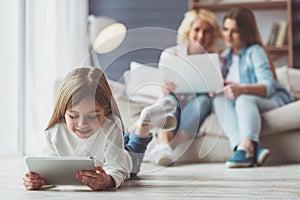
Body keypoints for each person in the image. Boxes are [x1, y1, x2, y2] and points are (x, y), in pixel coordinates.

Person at [23, 67, 176, 190]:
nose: (82, 124)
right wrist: (37, 180)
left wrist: (108, 180)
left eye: (92, 116)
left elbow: (117, 168)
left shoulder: (111, 125)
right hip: (114, 142)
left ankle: (145, 120)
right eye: (73, 116)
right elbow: (49, 170)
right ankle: (138, 126)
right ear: (63, 113)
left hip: (125, 159)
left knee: (133, 152)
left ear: (106, 111)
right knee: (125, 138)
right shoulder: (54, 132)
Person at [213, 7, 294, 168]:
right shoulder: (224, 57)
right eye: (226, 29)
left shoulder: (255, 52)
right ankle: (244, 149)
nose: (228, 35)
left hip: (271, 99)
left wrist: (241, 89)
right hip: (240, 102)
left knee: (243, 99)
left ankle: (247, 148)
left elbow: (268, 86)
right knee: (219, 98)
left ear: (245, 32)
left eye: (234, 31)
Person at [151, 9, 221, 165]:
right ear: (188, 30)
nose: (201, 36)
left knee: (204, 101)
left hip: (197, 105)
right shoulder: (171, 54)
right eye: (197, 29)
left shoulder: (216, 59)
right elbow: (163, 86)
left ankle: (166, 148)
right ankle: (165, 145)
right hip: (174, 99)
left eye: (207, 31)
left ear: (213, 35)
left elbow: (217, 88)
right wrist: (165, 87)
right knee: (168, 101)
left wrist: (215, 90)